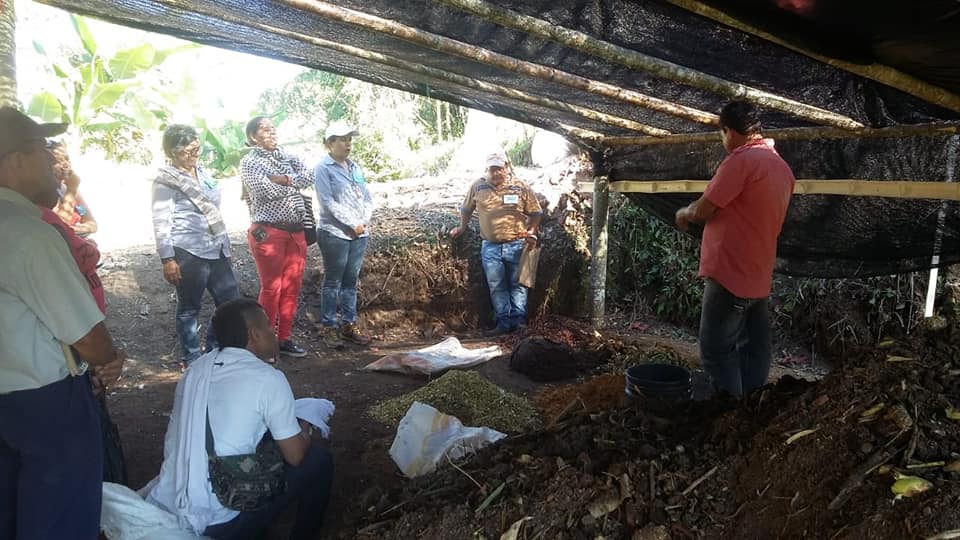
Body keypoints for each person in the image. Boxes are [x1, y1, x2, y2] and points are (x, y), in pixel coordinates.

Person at [0, 106, 126, 539]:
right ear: (15, 161)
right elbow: (87, 336)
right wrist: (108, 358)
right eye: (43, 149)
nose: (53, 160)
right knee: (61, 516)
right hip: (46, 403)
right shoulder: (27, 234)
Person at [146, 298, 333, 540]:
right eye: (268, 326)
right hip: (218, 520)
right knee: (318, 460)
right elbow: (295, 457)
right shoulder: (268, 379)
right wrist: (305, 428)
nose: (273, 332)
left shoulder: (195, 370)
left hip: (170, 498)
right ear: (254, 335)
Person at [674, 100, 796, 397]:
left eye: (722, 133)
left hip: (730, 273)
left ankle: (726, 411)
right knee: (754, 350)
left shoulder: (741, 161)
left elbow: (704, 210)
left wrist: (684, 213)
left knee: (717, 350)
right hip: (758, 275)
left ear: (729, 131)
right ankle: (750, 409)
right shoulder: (782, 169)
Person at [152, 125, 242, 368]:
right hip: (188, 250)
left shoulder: (203, 173)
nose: (194, 154)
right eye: (188, 150)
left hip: (215, 246)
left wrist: (225, 246)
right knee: (189, 307)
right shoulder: (165, 181)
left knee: (230, 303)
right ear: (173, 151)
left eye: (197, 149)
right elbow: (161, 220)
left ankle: (213, 350)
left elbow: (215, 210)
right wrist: (167, 259)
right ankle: (192, 357)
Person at [240, 116, 313, 358]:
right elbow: (264, 190)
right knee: (272, 289)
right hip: (268, 232)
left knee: (292, 287)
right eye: (265, 130)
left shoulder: (288, 157)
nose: (272, 133)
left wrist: (284, 179)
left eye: (273, 128)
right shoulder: (250, 162)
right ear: (253, 136)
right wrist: (293, 183)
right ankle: (265, 343)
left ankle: (284, 339)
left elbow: (309, 177)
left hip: (296, 231)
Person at [450, 151, 542, 336]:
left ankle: (518, 323)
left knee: (518, 284)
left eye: (499, 169)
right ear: (487, 170)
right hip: (490, 247)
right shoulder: (478, 186)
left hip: (517, 244)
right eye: (492, 169)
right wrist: (461, 227)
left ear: (506, 168)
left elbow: (536, 212)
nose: (496, 173)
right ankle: (504, 323)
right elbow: (466, 209)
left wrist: (532, 231)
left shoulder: (520, 187)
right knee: (496, 285)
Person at [311, 120, 375, 348]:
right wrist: (351, 223)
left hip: (359, 233)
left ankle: (349, 324)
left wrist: (363, 221)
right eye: (342, 140)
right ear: (329, 143)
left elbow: (366, 197)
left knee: (350, 281)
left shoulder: (355, 167)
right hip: (334, 233)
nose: (347, 144)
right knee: (333, 281)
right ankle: (329, 326)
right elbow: (327, 202)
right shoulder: (323, 168)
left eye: (349, 140)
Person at [48, 140, 98, 236]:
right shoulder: (46, 193)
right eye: (58, 161)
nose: (65, 165)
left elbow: (92, 224)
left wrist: (74, 229)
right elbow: (60, 226)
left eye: (66, 159)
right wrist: (71, 189)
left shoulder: (71, 190)